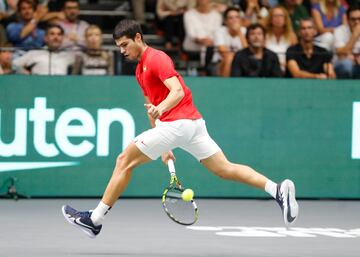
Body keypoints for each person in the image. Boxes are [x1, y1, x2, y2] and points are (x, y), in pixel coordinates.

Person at [62, 19, 299, 238]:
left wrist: (161, 111)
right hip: (191, 126)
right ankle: (277, 190)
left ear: (137, 37)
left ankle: (95, 220)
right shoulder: (139, 70)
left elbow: (177, 91)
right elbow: (150, 107)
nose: (122, 51)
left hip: (179, 124)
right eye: (118, 47)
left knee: (125, 160)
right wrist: (163, 145)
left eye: (125, 44)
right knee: (224, 169)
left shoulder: (157, 58)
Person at [213, 6, 248, 77]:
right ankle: (225, 85)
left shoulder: (245, 31)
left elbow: (248, 52)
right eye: (231, 18)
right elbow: (223, 52)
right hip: (220, 62)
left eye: (237, 17)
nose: (234, 20)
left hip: (242, 62)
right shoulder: (219, 31)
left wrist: (239, 33)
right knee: (229, 58)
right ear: (225, 21)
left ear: (240, 20)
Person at [265, 5, 298, 73]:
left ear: (285, 19)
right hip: (268, 70)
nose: (278, 18)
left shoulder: (292, 36)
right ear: (271, 19)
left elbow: (296, 57)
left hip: (287, 70)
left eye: (281, 16)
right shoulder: (265, 35)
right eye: (275, 16)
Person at [333, 4, 360, 79]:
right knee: (346, 64)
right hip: (342, 65)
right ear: (348, 20)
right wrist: (355, 35)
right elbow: (341, 54)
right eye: (353, 19)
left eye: (359, 19)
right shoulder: (339, 31)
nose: (357, 22)